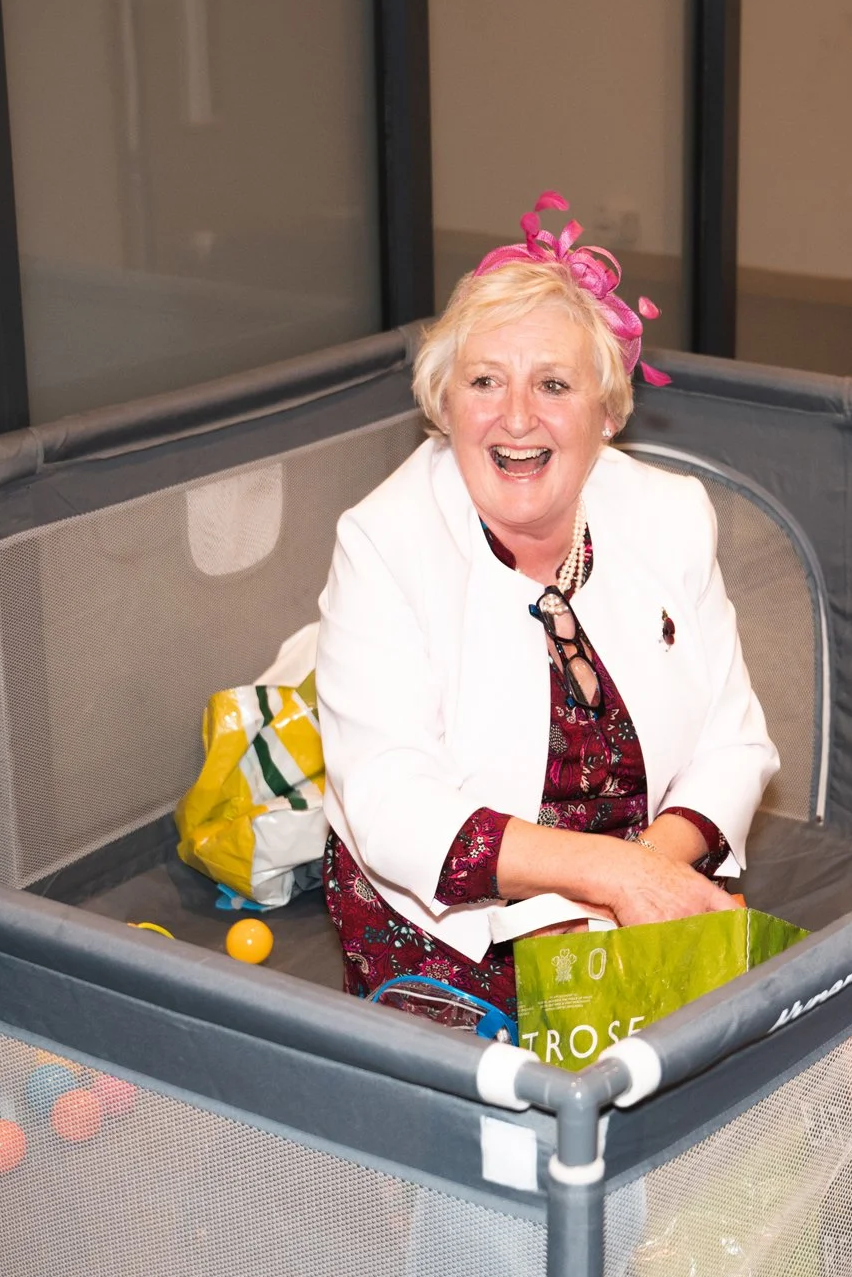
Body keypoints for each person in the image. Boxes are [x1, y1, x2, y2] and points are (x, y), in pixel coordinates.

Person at [314, 190, 779, 1026]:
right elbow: (393, 806)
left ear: (607, 414)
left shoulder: (672, 512)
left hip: (648, 880)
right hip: (460, 931)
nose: (516, 417)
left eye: (554, 384)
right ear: (443, 404)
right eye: (484, 380)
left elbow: (734, 741)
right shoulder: (381, 542)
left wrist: (647, 875)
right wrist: (607, 884)